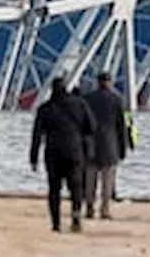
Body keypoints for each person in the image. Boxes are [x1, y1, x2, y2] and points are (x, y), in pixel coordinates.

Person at [29, 77, 97, 233]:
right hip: (75, 151)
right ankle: (75, 218)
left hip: (53, 153)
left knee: (54, 189)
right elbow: (92, 127)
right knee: (76, 186)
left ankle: (56, 223)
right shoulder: (79, 104)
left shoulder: (45, 108)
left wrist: (33, 158)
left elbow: (37, 136)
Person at [83, 71, 128, 220]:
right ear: (110, 82)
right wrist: (123, 148)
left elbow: (82, 124)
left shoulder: (88, 99)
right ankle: (105, 209)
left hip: (91, 144)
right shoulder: (116, 100)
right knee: (108, 181)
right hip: (110, 144)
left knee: (90, 179)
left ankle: (89, 208)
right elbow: (121, 126)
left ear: (97, 81)